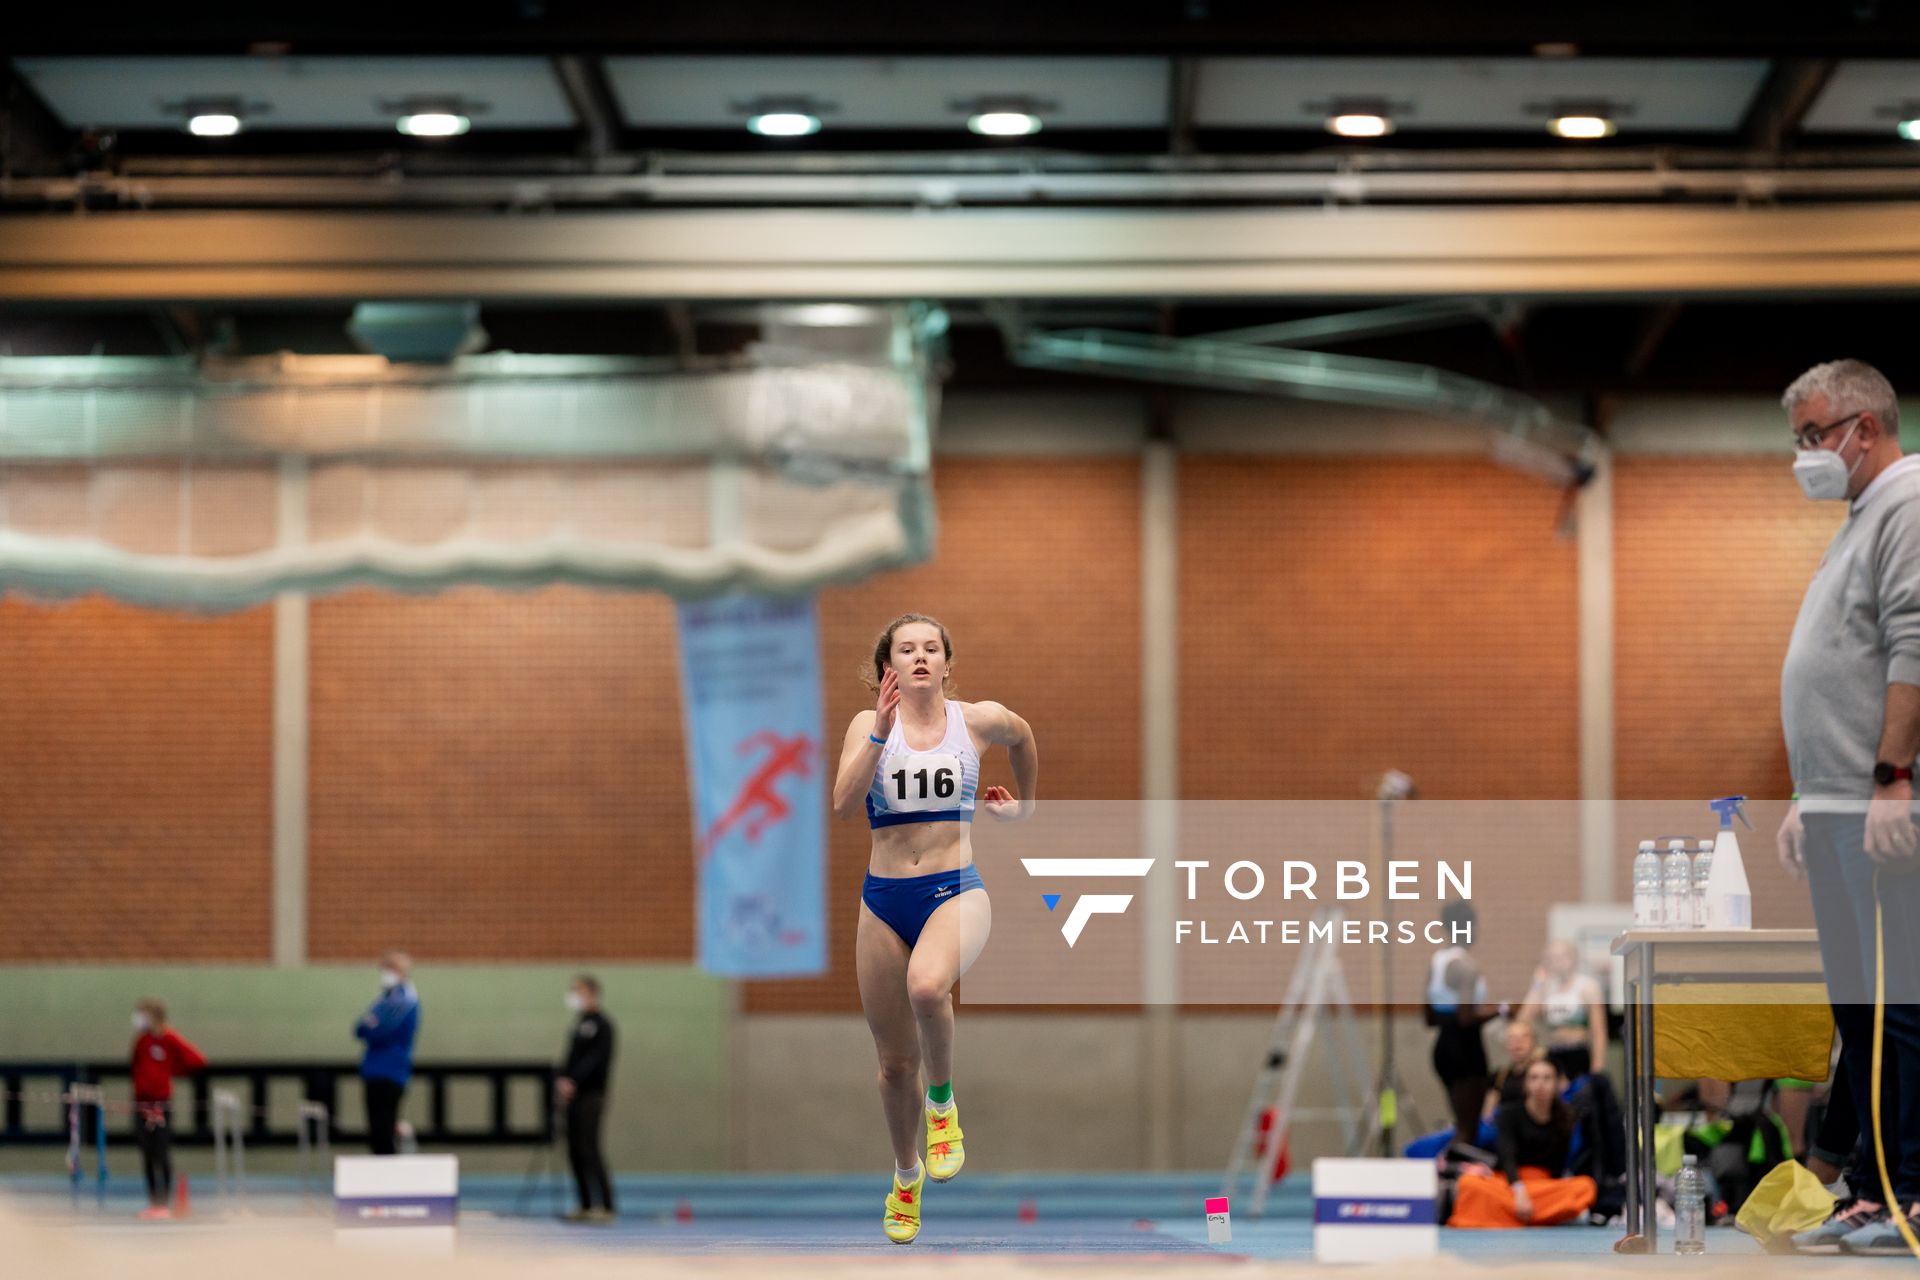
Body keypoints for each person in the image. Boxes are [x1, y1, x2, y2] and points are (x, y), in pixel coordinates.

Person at [830, 613, 1036, 1245]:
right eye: (905, 650)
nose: (919, 657)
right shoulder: (870, 726)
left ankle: (942, 1107)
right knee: (894, 1066)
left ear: (947, 661)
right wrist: (880, 735)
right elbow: (842, 806)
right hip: (883, 898)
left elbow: (1024, 738)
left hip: (954, 890)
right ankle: (905, 1174)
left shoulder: (979, 721)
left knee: (927, 987)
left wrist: (1025, 806)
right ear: (887, 667)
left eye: (930, 649)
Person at [1776, 359, 1920, 1255]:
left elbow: (1914, 642)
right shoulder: (1860, 518)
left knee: (1902, 1006)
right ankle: (1870, 1190)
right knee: (1858, 1014)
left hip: (1884, 810)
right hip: (1833, 806)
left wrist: (1891, 779)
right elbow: (1839, 668)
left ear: (1864, 429)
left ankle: (1913, 1187)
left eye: (1814, 435)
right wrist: (1807, 795)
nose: (1804, 455)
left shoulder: (1906, 503)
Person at [1449, 1058, 1598, 1229]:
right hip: (1509, 1182)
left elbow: (1558, 1168)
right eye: (1534, 1078)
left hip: (1542, 1186)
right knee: (1469, 1183)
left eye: (1547, 1078)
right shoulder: (1508, 1114)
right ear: (1525, 1083)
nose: (1540, 1084)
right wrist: (1519, 1192)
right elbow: (1507, 1157)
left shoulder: (1566, 1118)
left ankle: (1509, 1215)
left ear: (1557, 1083)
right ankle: (1543, 1216)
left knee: (1585, 1186)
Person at [1425, 900, 1501, 1153]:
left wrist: (1454, 1016)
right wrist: (1500, 1010)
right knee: (1468, 1128)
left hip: (1443, 1047)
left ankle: (1451, 1175)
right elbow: (1466, 1017)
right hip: (1466, 1049)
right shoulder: (1466, 966)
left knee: (1461, 1123)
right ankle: (1449, 1176)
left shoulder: (1437, 962)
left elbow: (1429, 1018)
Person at [129, 998, 205, 1220]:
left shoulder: (169, 1038)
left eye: (143, 1014)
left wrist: (171, 1072)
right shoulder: (141, 1040)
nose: (139, 1018)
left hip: (161, 1104)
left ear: (154, 1016)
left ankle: (164, 1202)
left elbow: (197, 1060)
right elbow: (135, 1066)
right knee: (147, 1153)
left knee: (161, 1152)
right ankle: (153, 1201)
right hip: (142, 1104)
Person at [556, 974, 616, 1223]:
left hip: (592, 1095)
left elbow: (596, 1061)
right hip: (573, 1096)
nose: (574, 995)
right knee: (574, 1150)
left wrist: (576, 1080)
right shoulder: (579, 1024)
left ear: (592, 993)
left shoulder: (604, 1025)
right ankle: (585, 1203)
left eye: (578, 991)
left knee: (589, 1147)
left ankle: (606, 1205)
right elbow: (570, 1057)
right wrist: (561, 1080)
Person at [355, 950, 420, 1156]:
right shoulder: (385, 999)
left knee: (384, 1128)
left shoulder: (405, 1000)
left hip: (391, 1071)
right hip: (374, 1070)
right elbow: (360, 1028)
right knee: (375, 1130)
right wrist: (370, 1026)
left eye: (389, 970)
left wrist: (372, 1026)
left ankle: (387, 1173)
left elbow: (381, 1030)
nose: (385, 974)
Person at [1517, 940, 1608, 1084]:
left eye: (1561, 957)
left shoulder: (1588, 987)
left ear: (1573, 958)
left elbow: (1599, 1032)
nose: (1556, 962)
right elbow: (1522, 1020)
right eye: (1551, 958)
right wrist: (1536, 985)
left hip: (1579, 1052)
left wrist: (1597, 1068)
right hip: (1554, 1053)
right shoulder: (1546, 989)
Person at [1485, 1019, 1546, 1124]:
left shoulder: (1545, 1071)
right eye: (1513, 1038)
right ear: (1506, 1044)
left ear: (1534, 1041)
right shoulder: (1499, 1076)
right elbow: (1487, 1114)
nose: (1518, 1042)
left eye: (1524, 1037)